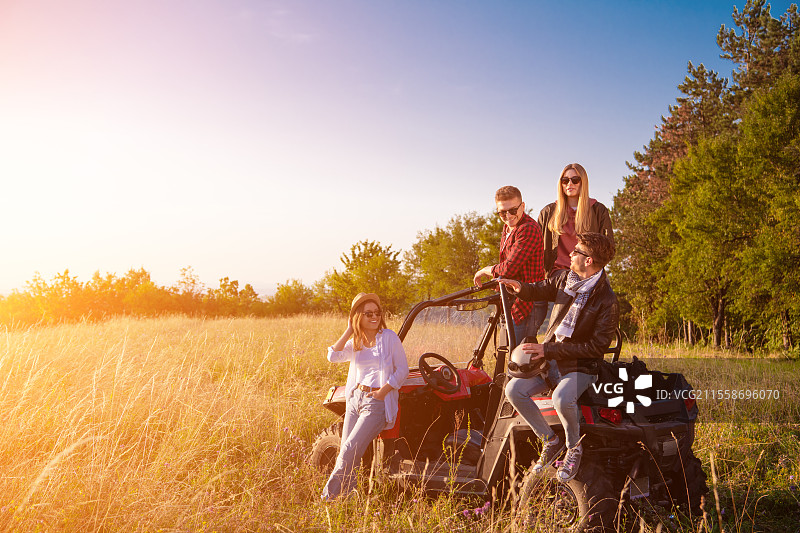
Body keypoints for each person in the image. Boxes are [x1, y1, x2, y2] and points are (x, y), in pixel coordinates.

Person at [498, 232, 618, 483]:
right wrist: (522, 288)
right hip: (551, 360)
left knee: (562, 398)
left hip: (581, 367)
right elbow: (541, 289)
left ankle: (574, 447)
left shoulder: (607, 300)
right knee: (514, 390)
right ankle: (550, 441)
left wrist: (548, 350)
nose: (570, 254)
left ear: (589, 261)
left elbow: (596, 347)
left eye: (577, 251)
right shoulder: (566, 278)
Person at [321, 292, 409, 502]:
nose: (374, 316)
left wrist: (383, 392)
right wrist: (350, 329)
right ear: (358, 316)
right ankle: (349, 498)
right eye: (367, 313)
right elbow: (332, 356)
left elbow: (402, 370)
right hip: (355, 399)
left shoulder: (388, 338)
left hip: (376, 401)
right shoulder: (356, 341)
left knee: (350, 448)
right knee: (348, 450)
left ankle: (328, 498)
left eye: (377, 312)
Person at [473, 185, 547, 343]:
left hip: (528, 302)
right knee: (511, 352)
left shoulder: (528, 229)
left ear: (523, 206)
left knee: (520, 357)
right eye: (502, 212)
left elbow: (509, 267)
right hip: (513, 300)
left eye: (513, 210)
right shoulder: (508, 227)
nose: (508, 216)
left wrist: (486, 270)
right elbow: (510, 269)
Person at [538, 163, 614, 277]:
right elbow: (535, 247)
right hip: (557, 275)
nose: (569, 184)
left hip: (588, 274)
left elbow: (609, 248)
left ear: (583, 182)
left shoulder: (599, 210)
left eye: (575, 180)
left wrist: (592, 268)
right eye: (565, 180)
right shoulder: (548, 212)